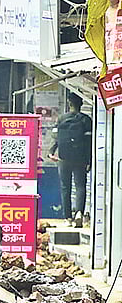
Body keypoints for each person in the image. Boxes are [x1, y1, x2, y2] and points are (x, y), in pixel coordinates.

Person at [49, 93, 93, 227]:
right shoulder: (86, 120)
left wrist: (51, 152)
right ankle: (79, 212)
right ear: (81, 104)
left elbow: (56, 138)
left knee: (65, 187)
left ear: (69, 104)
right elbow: (89, 142)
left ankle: (67, 218)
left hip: (64, 157)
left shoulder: (62, 118)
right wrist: (89, 160)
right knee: (80, 186)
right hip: (80, 158)